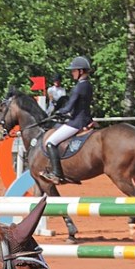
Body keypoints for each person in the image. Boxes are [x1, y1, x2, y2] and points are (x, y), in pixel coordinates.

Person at [43, 55, 94, 183]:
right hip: (86, 120)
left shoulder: (79, 86)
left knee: (50, 142)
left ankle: (57, 173)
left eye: (73, 71)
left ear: (80, 71)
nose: (72, 73)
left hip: (76, 123)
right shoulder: (88, 85)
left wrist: (57, 113)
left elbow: (69, 107)